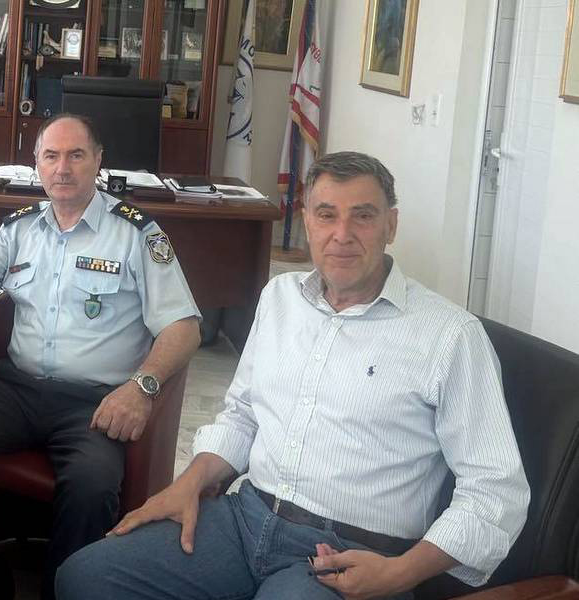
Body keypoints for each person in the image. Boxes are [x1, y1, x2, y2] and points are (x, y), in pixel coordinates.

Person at [55, 151, 530, 600]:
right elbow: (243, 414)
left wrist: (399, 572)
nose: (342, 234)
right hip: (245, 520)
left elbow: (495, 493)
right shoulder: (280, 297)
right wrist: (191, 481)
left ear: (391, 224)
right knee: (85, 577)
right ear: (306, 222)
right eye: (326, 214)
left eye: (363, 216)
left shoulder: (450, 335)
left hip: (353, 554)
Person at [0, 114, 202, 598]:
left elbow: (184, 327)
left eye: (76, 155)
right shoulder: (21, 228)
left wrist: (141, 389)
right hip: (16, 389)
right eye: (51, 156)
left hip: (91, 403)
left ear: (98, 161)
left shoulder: (137, 234)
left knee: (94, 484)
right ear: (36, 164)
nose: (62, 168)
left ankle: (66, 590)